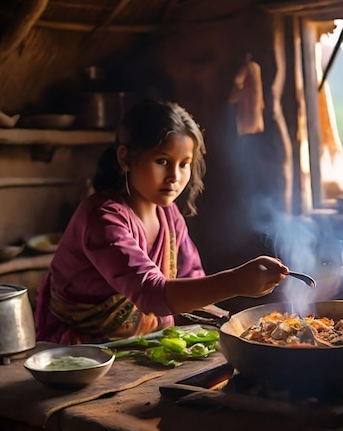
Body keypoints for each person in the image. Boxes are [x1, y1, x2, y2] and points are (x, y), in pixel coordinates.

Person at [34, 99, 289, 345]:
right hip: (85, 355)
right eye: (162, 161)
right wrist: (236, 281)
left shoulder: (169, 216)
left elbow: (193, 287)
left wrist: (243, 326)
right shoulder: (102, 218)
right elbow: (151, 294)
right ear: (125, 158)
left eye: (184, 164)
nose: (174, 177)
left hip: (148, 346)